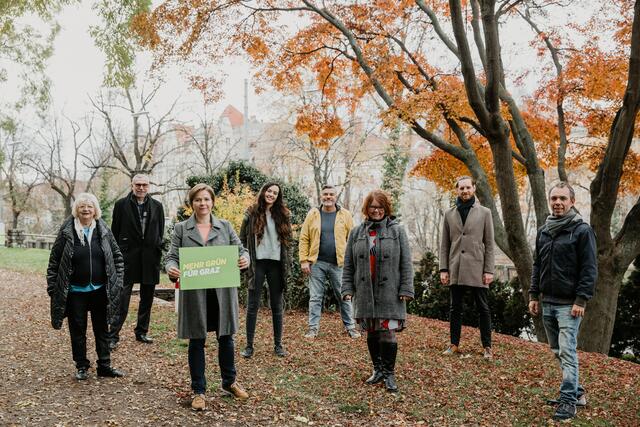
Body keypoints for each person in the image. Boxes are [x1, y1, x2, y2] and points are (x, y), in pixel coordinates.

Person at [166, 183, 250, 411]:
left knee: (226, 337)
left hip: (221, 293)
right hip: (195, 294)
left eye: (206, 199)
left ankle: (230, 382)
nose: (202, 203)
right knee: (197, 340)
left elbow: (241, 250)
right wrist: (172, 268)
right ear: (191, 203)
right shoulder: (181, 229)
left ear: (212, 201)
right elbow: (171, 257)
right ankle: (199, 391)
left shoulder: (225, 226)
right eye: (198, 200)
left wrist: (245, 260)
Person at [529, 182, 596, 421]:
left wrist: (581, 300)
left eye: (562, 199)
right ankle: (577, 393)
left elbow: (589, 269)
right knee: (557, 351)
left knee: (567, 352)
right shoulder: (544, 230)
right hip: (547, 302)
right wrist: (533, 295)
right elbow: (537, 265)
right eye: (554, 198)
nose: (557, 202)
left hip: (570, 305)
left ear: (572, 202)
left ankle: (568, 402)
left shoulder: (581, 231)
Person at [46, 193, 125, 380]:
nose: (86, 209)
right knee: (77, 330)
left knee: (102, 330)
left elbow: (117, 258)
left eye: (90, 206)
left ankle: (105, 365)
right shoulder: (67, 232)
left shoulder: (103, 231)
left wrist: (118, 283)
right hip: (75, 292)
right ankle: (81, 366)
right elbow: (54, 262)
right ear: (76, 210)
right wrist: (52, 288)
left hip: (100, 290)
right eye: (82, 206)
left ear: (95, 210)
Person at [342, 190, 414, 392]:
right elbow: (348, 264)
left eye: (380, 207)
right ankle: (378, 370)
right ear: (367, 209)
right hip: (365, 291)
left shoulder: (397, 231)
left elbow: (406, 263)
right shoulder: (357, 232)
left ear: (386, 208)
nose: (377, 210)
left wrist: (406, 288)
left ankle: (389, 374)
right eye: (373, 207)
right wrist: (347, 288)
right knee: (372, 333)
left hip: (390, 292)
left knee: (388, 334)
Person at [439, 176, 495, 358]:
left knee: (483, 308)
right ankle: (454, 344)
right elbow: (444, 244)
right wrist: (443, 269)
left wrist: (489, 270)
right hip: (455, 266)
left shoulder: (485, 212)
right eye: (461, 188)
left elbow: (489, 243)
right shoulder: (449, 214)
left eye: (468, 187)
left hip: (478, 268)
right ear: (457, 190)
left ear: (474, 188)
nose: (465, 191)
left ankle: (487, 346)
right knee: (455, 308)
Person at [108, 174, 165, 349]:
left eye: (144, 185)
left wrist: (156, 248)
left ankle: (141, 332)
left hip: (149, 258)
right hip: (127, 258)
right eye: (138, 185)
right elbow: (114, 232)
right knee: (122, 298)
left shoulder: (157, 206)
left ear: (149, 186)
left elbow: (160, 231)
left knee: (147, 298)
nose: (141, 188)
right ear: (132, 185)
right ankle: (113, 335)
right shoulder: (121, 205)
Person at [299, 184, 360, 339]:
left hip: (339, 264)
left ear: (335, 196)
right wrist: (304, 260)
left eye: (331, 194)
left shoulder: (345, 215)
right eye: (325, 194)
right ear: (321, 196)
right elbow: (304, 238)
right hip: (317, 262)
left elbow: (353, 240)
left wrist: (352, 263)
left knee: (344, 295)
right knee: (315, 297)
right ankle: (313, 328)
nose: (328, 197)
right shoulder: (313, 214)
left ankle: (351, 327)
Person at [239, 182, 292, 358]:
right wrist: (243, 258)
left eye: (275, 193)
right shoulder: (251, 212)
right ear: (263, 192)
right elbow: (242, 239)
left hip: (276, 264)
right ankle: (249, 346)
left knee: (277, 305)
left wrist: (288, 264)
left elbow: (289, 242)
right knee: (252, 305)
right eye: (269, 191)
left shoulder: (283, 215)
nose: (271, 194)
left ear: (278, 196)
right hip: (257, 264)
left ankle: (278, 345)